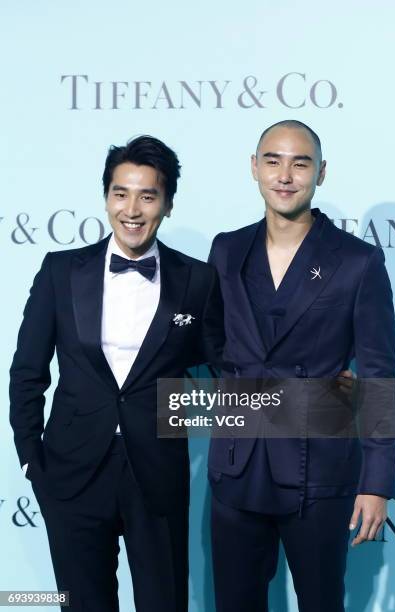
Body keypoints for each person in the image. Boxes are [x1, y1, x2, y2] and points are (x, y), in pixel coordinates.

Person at [9, 135, 224, 612]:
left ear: (167, 205)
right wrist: (31, 459)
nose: (132, 208)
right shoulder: (60, 272)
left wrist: (325, 400)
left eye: (148, 196)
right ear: (106, 197)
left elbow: (224, 366)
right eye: (120, 193)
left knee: (164, 603)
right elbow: (27, 371)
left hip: (159, 474)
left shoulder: (197, 280)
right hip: (71, 474)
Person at [207, 120, 395, 612]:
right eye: (272, 160)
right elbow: (212, 343)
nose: (285, 175)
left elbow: (379, 376)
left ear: (321, 173)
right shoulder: (226, 250)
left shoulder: (357, 262)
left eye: (300, 162)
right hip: (237, 465)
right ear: (254, 167)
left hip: (319, 469)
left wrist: (376, 484)